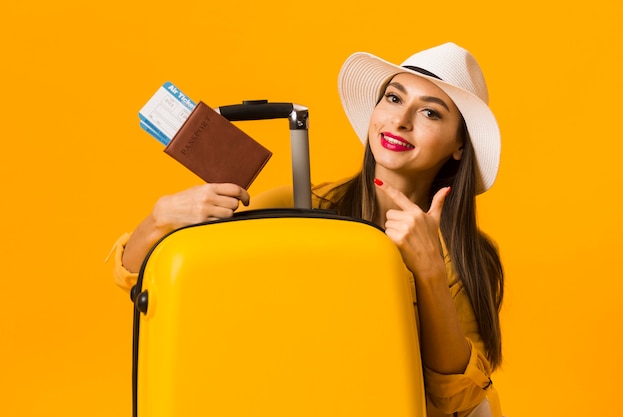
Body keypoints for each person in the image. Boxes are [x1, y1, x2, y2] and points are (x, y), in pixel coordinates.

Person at [110, 42, 504, 417]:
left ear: (459, 145)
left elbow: (458, 398)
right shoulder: (303, 207)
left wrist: (430, 271)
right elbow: (140, 283)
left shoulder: (464, 256)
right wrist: (161, 219)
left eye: (430, 113)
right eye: (394, 98)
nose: (400, 121)